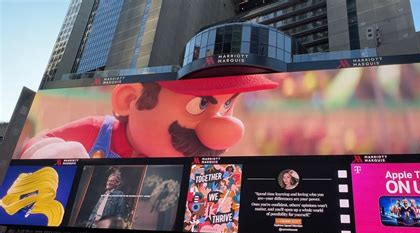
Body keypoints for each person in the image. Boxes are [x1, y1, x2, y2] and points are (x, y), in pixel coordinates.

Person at [19, 75, 278, 159]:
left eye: (228, 104)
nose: (224, 126)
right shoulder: (98, 130)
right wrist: (55, 157)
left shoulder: (193, 165)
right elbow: (38, 143)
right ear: (129, 100)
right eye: (200, 103)